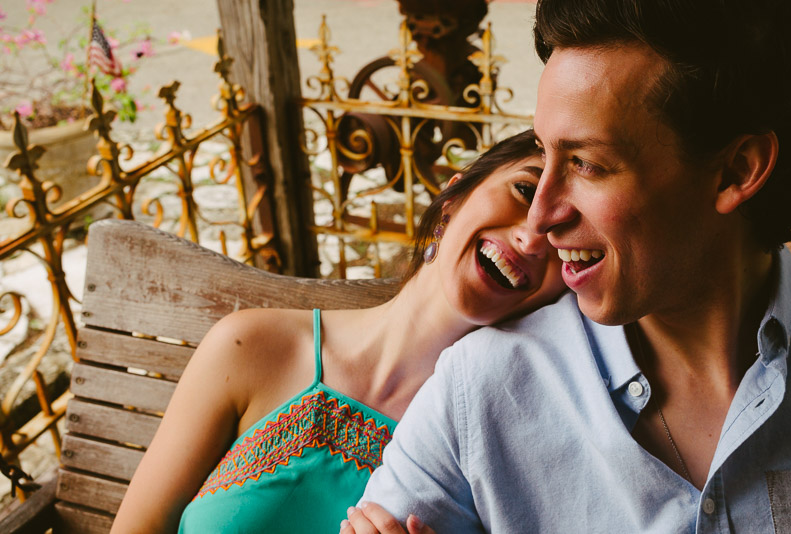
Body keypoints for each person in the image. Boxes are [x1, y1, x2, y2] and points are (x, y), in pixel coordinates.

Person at [342, 0, 791, 532]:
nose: (541, 216)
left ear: (736, 171)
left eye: (587, 164)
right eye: (542, 153)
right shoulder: (479, 391)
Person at [109, 129, 566, 533]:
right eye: (525, 191)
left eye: (563, 233)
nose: (530, 239)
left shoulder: (495, 440)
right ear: (453, 198)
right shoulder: (252, 347)